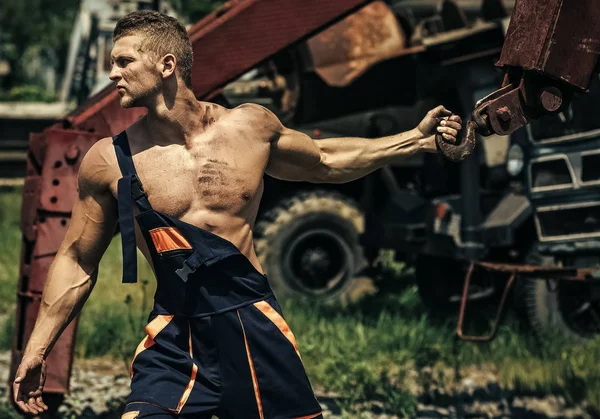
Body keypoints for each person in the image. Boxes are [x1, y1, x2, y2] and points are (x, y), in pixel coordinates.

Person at [13, 10, 462, 419]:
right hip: (175, 333)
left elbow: (325, 159)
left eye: (124, 61)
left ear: (167, 66)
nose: (113, 73)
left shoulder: (250, 127)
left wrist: (414, 141)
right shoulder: (109, 159)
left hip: (254, 324)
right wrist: (37, 348)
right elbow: (76, 259)